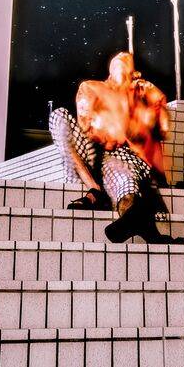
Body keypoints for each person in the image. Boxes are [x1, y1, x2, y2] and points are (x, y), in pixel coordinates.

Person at [49, 51, 170, 242]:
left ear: (133, 73)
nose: (123, 57)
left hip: (118, 157)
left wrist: (148, 99)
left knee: (124, 177)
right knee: (59, 115)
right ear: (110, 70)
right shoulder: (92, 86)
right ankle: (95, 189)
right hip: (92, 150)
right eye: (119, 58)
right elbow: (85, 121)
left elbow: (160, 127)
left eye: (127, 60)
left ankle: (133, 217)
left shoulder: (137, 94)